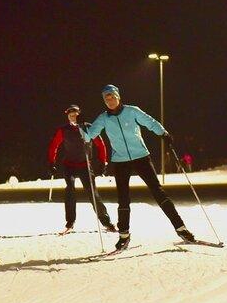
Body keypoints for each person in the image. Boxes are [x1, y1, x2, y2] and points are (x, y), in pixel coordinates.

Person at [81, 84, 194, 250]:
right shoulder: (104, 118)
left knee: (158, 191)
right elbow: (90, 135)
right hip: (120, 161)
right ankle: (124, 235)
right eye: (106, 98)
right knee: (123, 198)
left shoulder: (132, 111)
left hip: (141, 156)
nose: (110, 100)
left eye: (112, 96)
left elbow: (150, 122)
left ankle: (181, 228)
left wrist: (163, 133)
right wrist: (83, 129)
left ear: (118, 96)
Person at [47, 104, 116, 233]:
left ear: (79, 114)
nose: (73, 117)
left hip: (85, 165)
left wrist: (103, 162)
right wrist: (51, 163)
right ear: (67, 116)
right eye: (70, 115)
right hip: (69, 165)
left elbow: (101, 145)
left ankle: (107, 222)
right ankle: (70, 222)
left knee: (93, 194)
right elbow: (53, 146)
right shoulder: (64, 130)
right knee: (70, 190)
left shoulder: (88, 128)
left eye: (75, 114)